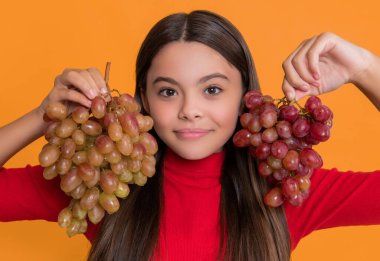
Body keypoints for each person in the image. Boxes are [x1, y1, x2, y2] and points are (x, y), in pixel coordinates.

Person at [0, 10, 379, 261]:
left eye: (212, 90)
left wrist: (364, 68)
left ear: (245, 97)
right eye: (168, 91)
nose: (189, 109)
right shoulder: (100, 183)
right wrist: (42, 116)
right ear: (143, 98)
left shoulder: (285, 190)